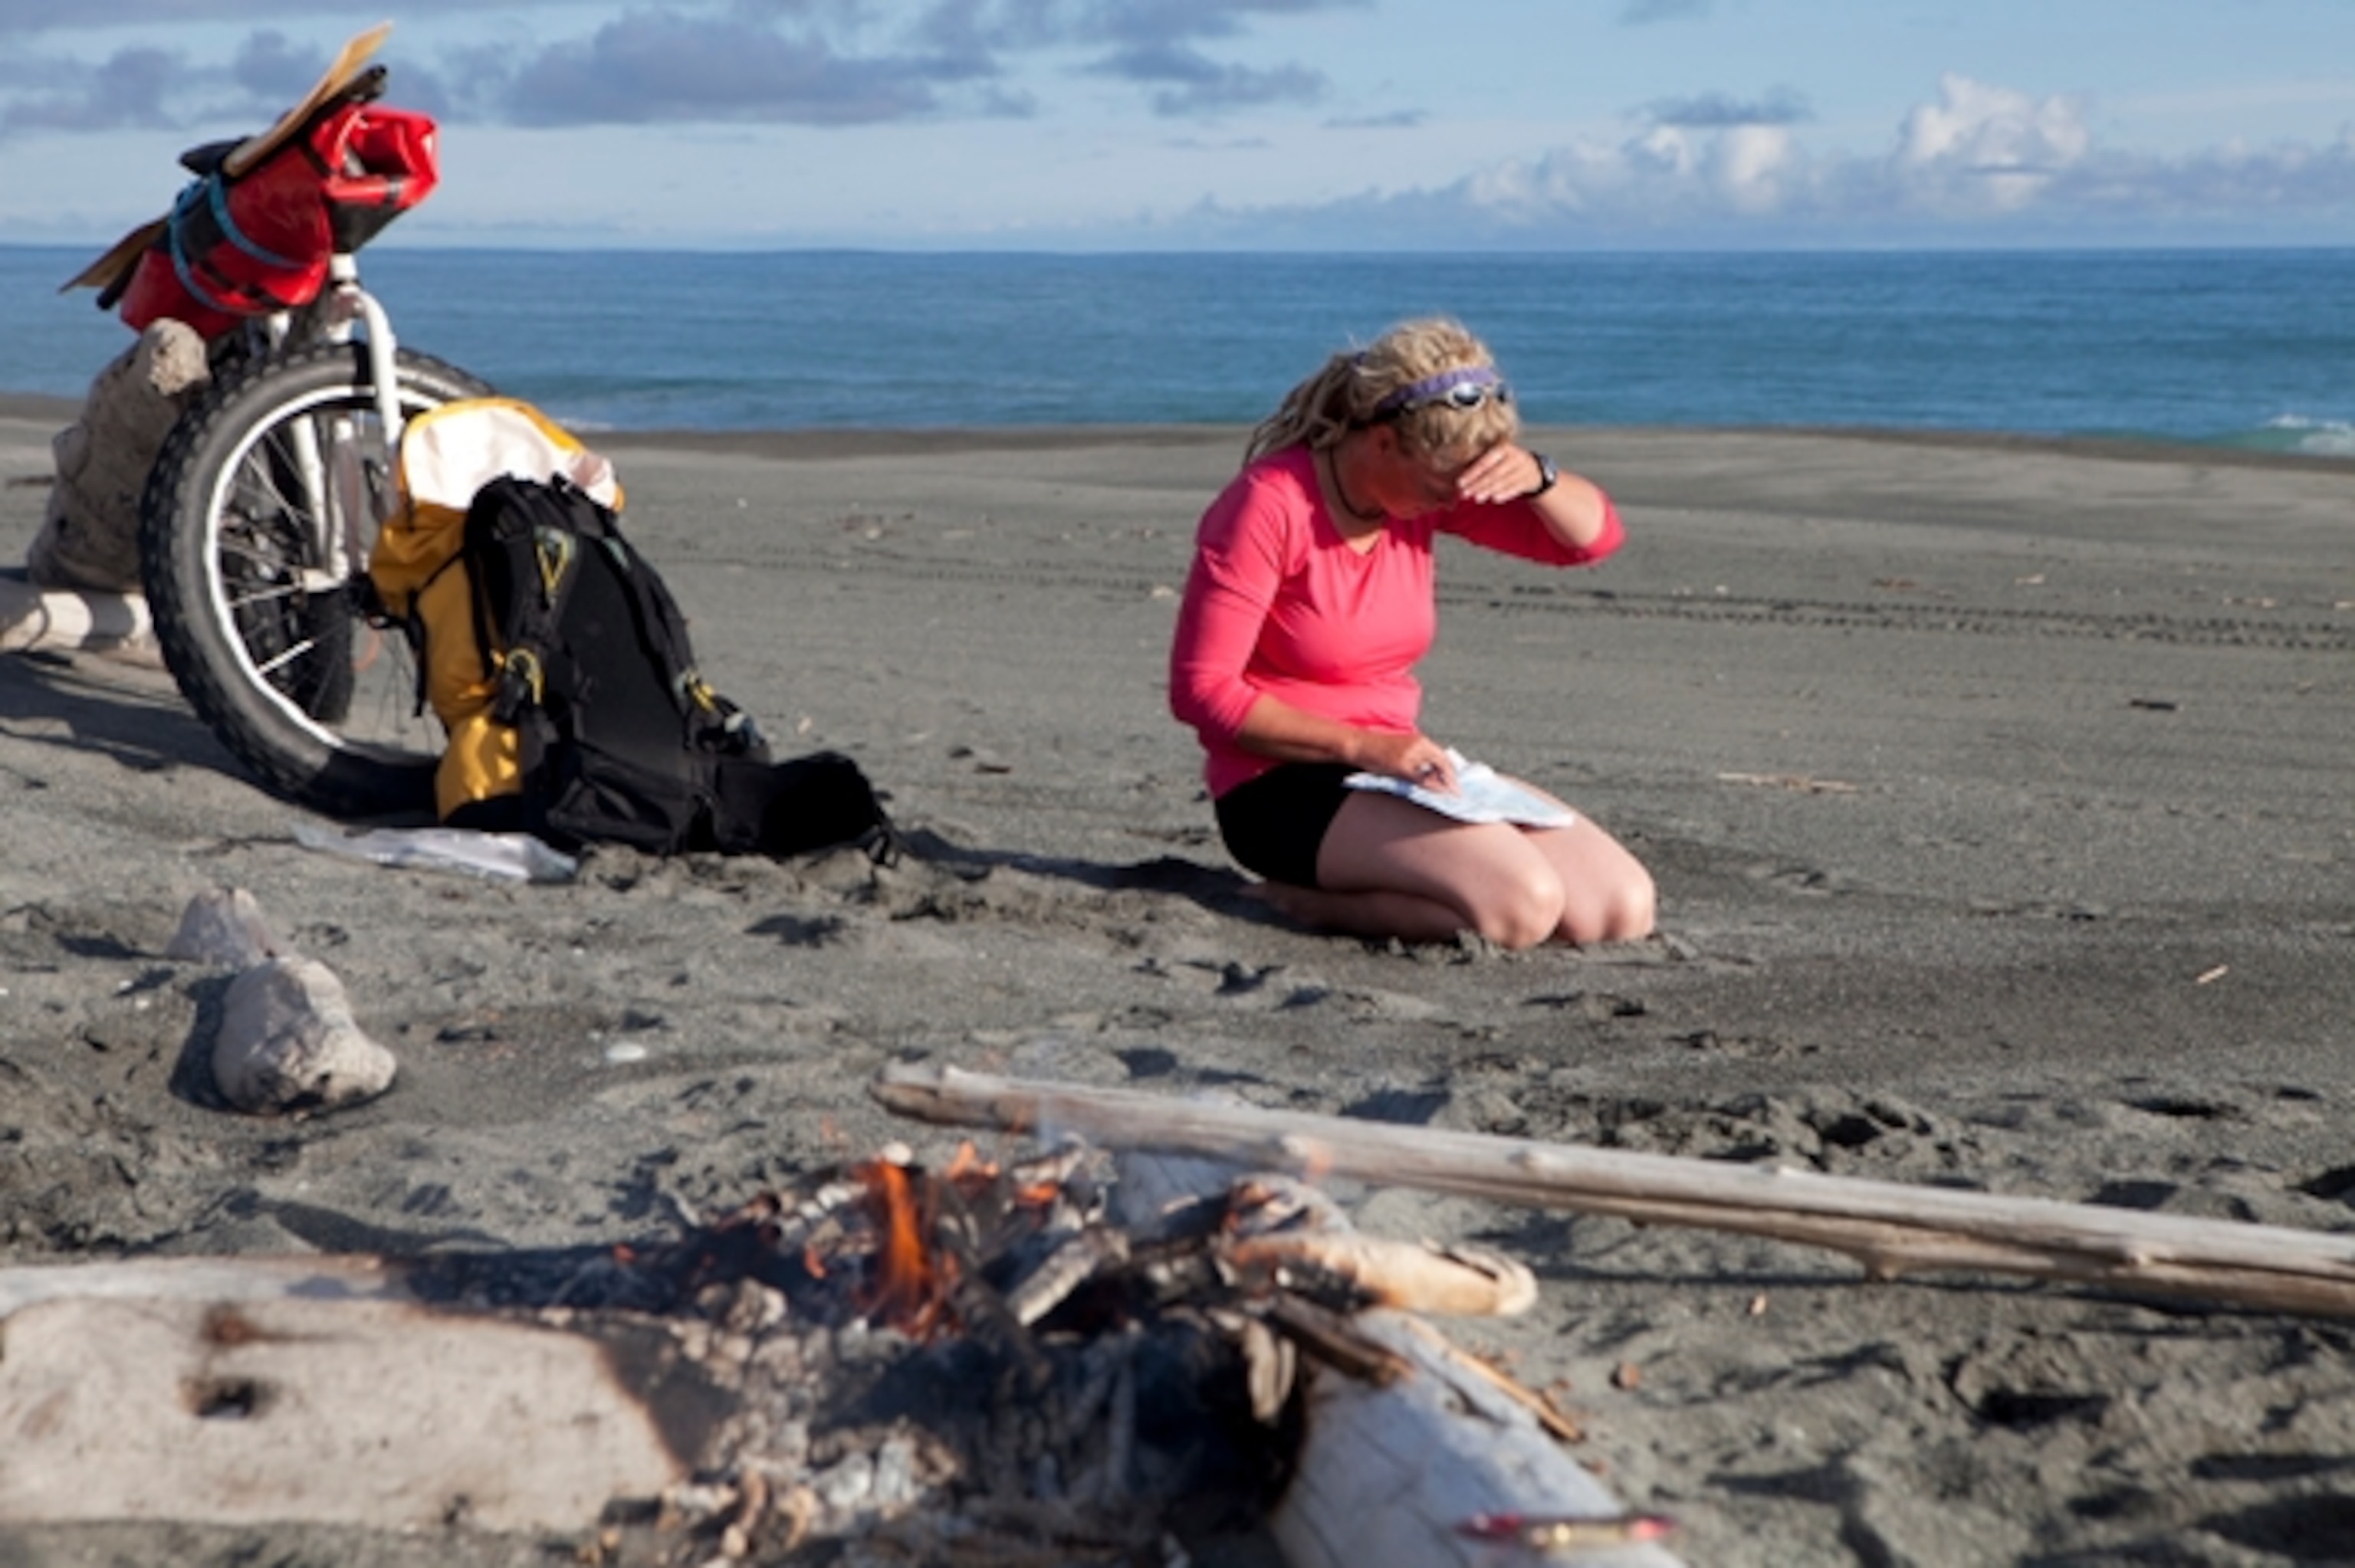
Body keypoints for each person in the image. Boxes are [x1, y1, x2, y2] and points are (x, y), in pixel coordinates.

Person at [1168, 317, 1655, 950]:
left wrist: (1540, 476)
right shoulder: (1270, 502)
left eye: (1465, 480)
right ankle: (1307, 904)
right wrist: (1363, 746)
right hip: (1277, 783)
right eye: (1441, 480)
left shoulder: (1422, 495)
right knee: (1518, 911)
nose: (1453, 496)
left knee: (1619, 908)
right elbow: (1201, 692)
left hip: (1397, 767)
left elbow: (1590, 541)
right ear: (1382, 443)